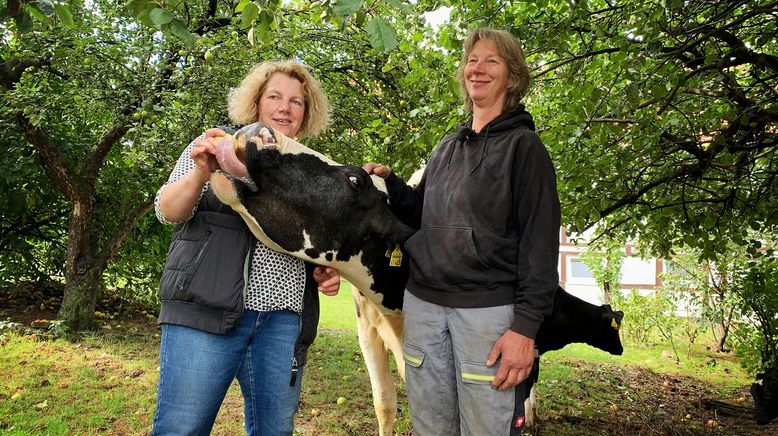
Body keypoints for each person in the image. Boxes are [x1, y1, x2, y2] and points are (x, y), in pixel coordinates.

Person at [364, 28, 560, 435]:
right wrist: (393, 185)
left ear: (513, 76)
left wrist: (524, 329)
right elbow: (424, 214)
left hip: (487, 317)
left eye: (492, 61)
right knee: (431, 428)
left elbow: (540, 245)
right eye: (473, 60)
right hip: (424, 309)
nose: (479, 68)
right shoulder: (446, 147)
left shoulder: (525, 148)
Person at [151, 60, 341, 435]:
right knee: (181, 429)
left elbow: (311, 247)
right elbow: (167, 211)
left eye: (296, 102)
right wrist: (201, 173)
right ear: (256, 102)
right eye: (275, 97)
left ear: (306, 114)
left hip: (283, 323)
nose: (285, 108)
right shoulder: (215, 145)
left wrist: (322, 271)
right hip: (206, 314)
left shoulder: (308, 171)